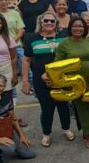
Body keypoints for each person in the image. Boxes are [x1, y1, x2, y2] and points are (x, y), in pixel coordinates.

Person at [47, 17, 89, 149]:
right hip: (76, 83)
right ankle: (87, 135)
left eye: (81, 26)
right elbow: (57, 62)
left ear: (85, 28)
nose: (78, 28)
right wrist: (48, 75)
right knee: (83, 109)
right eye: (75, 26)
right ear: (70, 28)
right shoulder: (64, 43)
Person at [22, 13, 74, 147]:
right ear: (41, 22)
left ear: (56, 23)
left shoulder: (64, 37)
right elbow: (27, 60)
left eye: (52, 21)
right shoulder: (32, 38)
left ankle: (66, 129)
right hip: (41, 81)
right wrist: (25, 81)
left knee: (63, 106)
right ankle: (46, 134)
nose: (49, 23)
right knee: (46, 108)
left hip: (62, 79)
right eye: (46, 20)